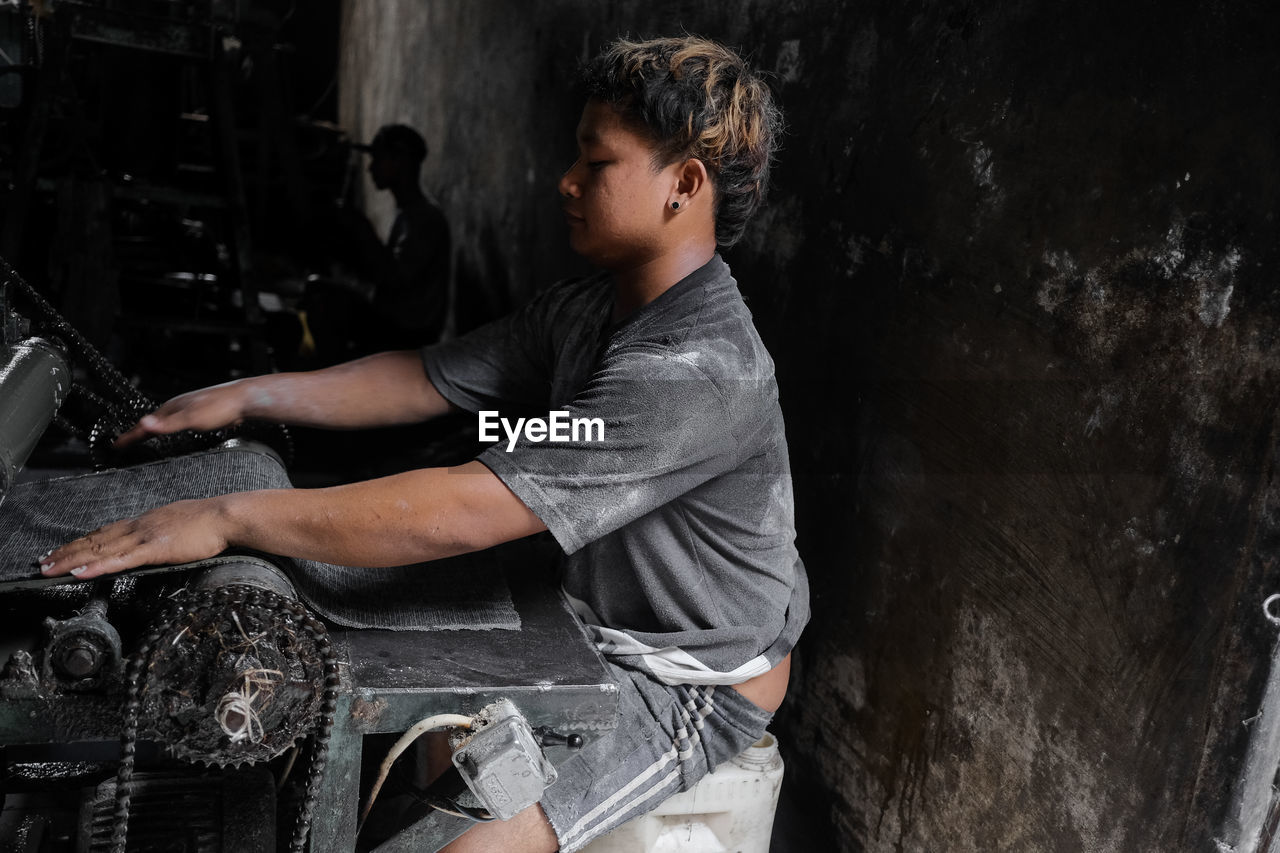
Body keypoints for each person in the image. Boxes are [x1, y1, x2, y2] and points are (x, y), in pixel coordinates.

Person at [39, 35, 809, 853]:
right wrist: (248, 391)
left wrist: (231, 514)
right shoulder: (589, 309)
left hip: (686, 679)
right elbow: (423, 377)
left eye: (598, 161)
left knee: (443, 849)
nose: (567, 181)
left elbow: (468, 507)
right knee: (361, 671)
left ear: (684, 185)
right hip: (586, 605)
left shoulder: (696, 374)